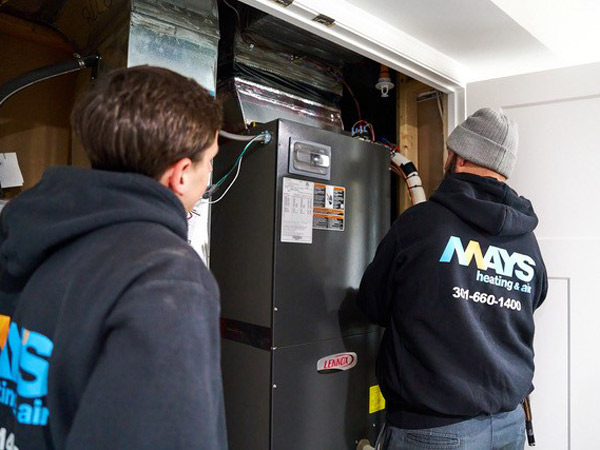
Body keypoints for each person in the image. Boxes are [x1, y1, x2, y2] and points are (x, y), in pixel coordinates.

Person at [0, 66, 227, 449]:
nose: (210, 174)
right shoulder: (166, 274)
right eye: (210, 161)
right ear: (182, 174)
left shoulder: (30, 236)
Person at [357, 108, 547, 449]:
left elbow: (372, 304)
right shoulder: (525, 240)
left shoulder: (422, 225)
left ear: (456, 156)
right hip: (508, 425)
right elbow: (533, 300)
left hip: (434, 430)